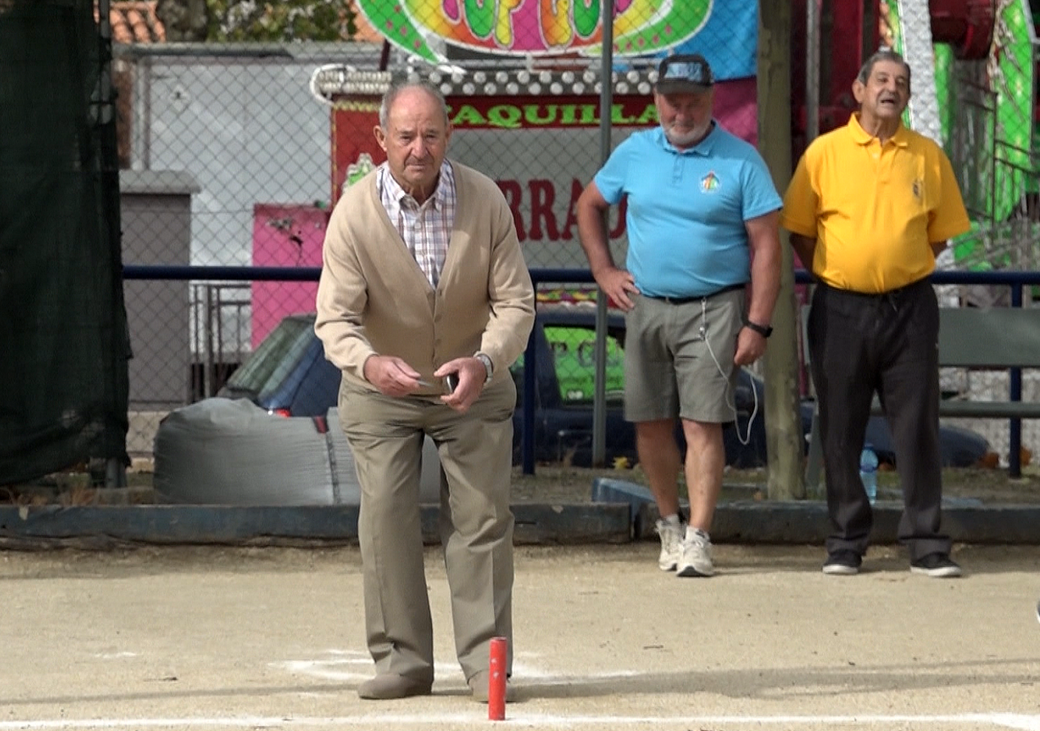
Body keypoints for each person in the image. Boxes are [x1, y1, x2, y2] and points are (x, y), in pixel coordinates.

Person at [314, 81, 536, 702]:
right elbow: (334, 319)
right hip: (380, 386)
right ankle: (403, 661)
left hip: (474, 380)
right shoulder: (353, 213)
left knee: (483, 518)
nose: (419, 148)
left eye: (431, 134)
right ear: (381, 139)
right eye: (406, 136)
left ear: (448, 136)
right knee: (384, 513)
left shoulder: (486, 201)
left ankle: (485, 665)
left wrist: (487, 361)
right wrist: (369, 362)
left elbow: (516, 302)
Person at [576, 54, 782, 578]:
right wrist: (603, 270)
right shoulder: (635, 152)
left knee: (701, 422)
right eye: (672, 101)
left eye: (691, 101)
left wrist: (757, 322)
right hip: (645, 304)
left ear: (712, 99)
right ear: (657, 100)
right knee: (649, 421)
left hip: (715, 306)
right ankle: (668, 522)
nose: (681, 111)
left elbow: (766, 247)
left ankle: (699, 536)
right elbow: (589, 204)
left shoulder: (741, 160)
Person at [780, 49, 971, 578]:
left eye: (902, 82)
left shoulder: (928, 156)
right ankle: (844, 542)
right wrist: (842, 274)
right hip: (840, 308)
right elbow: (799, 229)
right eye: (882, 79)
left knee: (917, 427)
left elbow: (937, 236)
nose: (892, 88)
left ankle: (928, 542)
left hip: (909, 310)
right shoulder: (825, 153)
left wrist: (896, 269)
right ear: (860, 90)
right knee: (840, 425)